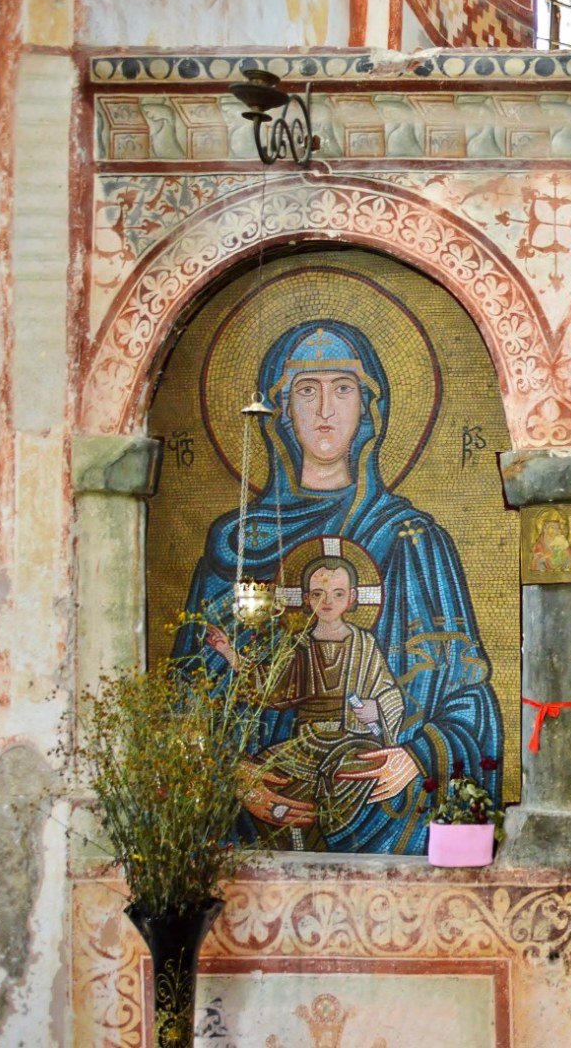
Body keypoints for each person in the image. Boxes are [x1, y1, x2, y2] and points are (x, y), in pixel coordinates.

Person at [175, 320, 502, 855]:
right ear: (280, 410)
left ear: (369, 409)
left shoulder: (413, 541)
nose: (325, 410)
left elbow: (469, 693)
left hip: (385, 796)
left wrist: (417, 756)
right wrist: (233, 775)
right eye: (307, 390)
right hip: (265, 803)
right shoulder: (235, 545)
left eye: (343, 388)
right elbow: (186, 693)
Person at [209, 555, 407, 851]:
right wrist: (229, 653)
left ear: (352, 597)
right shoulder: (299, 643)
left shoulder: (364, 644)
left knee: (354, 776)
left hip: (350, 741)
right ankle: (302, 851)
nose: (328, 601)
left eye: (338, 593)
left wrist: (376, 709)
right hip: (306, 742)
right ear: (306, 598)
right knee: (263, 777)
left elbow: (389, 692)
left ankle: (327, 850)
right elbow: (270, 687)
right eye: (318, 594)